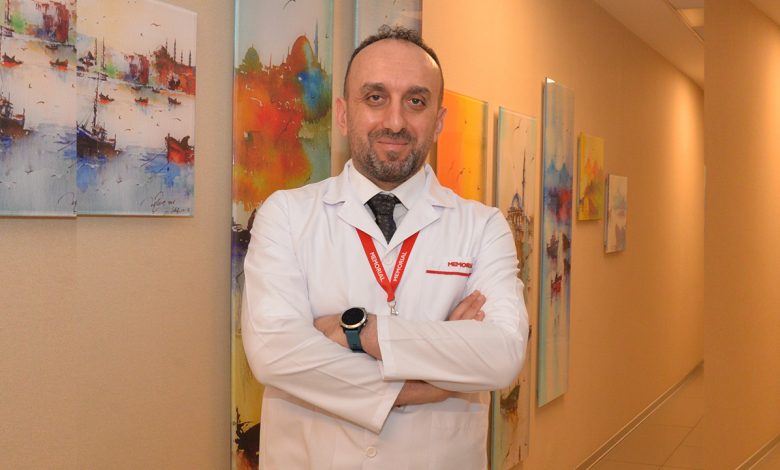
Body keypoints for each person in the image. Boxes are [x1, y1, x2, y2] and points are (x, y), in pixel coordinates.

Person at [242, 26, 529, 469]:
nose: (395, 121)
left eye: (416, 101)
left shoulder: (483, 227)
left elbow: (502, 354)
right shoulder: (286, 215)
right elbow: (274, 354)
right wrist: (431, 381)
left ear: (439, 120)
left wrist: (362, 333)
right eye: (375, 97)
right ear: (343, 114)